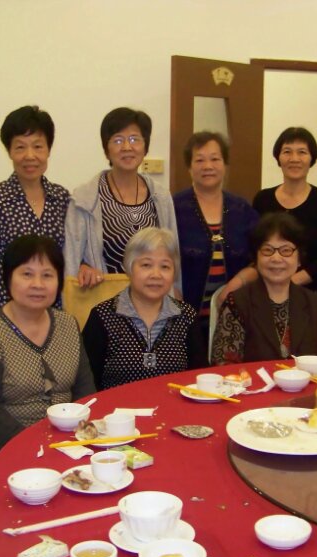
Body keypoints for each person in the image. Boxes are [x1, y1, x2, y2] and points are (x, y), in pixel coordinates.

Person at [0, 235, 95, 469]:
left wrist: (78, 438)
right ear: (8, 278)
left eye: (47, 275)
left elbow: (85, 392)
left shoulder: (68, 325)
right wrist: (42, 446)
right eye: (27, 274)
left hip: (69, 443)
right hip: (7, 448)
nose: (38, 284)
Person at [64, 107, 178, 289]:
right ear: (106, 150)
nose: (127, 147)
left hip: (153, 299)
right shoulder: (84, 199)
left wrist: (175, 295)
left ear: (145, 146)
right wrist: (83, 267)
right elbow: (71, 261)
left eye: (134, 139)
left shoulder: (161, 197)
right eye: (118, 140)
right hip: (103, 300)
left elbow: (172, 255)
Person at [82, 227, 207, 390]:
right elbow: (86, 384)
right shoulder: (103, 316)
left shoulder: (186, 316)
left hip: (173, 405)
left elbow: (200, 378)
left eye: (165, 267)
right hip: (117, 406)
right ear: (129, 267)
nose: (156, 275)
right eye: (146, 265)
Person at [0, 106, 71, 311]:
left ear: (48, 150)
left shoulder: (62, 198)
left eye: (38, 146)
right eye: (20, 147)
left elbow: (68, 260)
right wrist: (0, 317)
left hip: (55, 311)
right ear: (9, 151)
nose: (30, 156)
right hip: (9, 312)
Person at [211, 213, 317, 364]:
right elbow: (223, 363)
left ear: (299, 259)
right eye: (267, 250)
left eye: (286, 250)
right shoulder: (237, 303)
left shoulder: (314, 303)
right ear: (256, 257)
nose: (276, 258)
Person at [173, 132, 259, 342]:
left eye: (215, 159)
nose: (208, 166)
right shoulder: (173, 207)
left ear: (225, 164)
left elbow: (260, 259)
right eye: (199, 160)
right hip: (181, 316)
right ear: (189, 167)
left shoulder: (242, 208)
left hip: (235, 315)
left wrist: (235, 284)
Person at [253, 127, 317, 310]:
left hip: (313, 297)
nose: (294, 159)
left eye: (302, 152)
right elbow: (254, 247)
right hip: (266, 294)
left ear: (312, 158)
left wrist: (290, 282)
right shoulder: (262, 199)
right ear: (278, 158)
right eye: (287, 152)